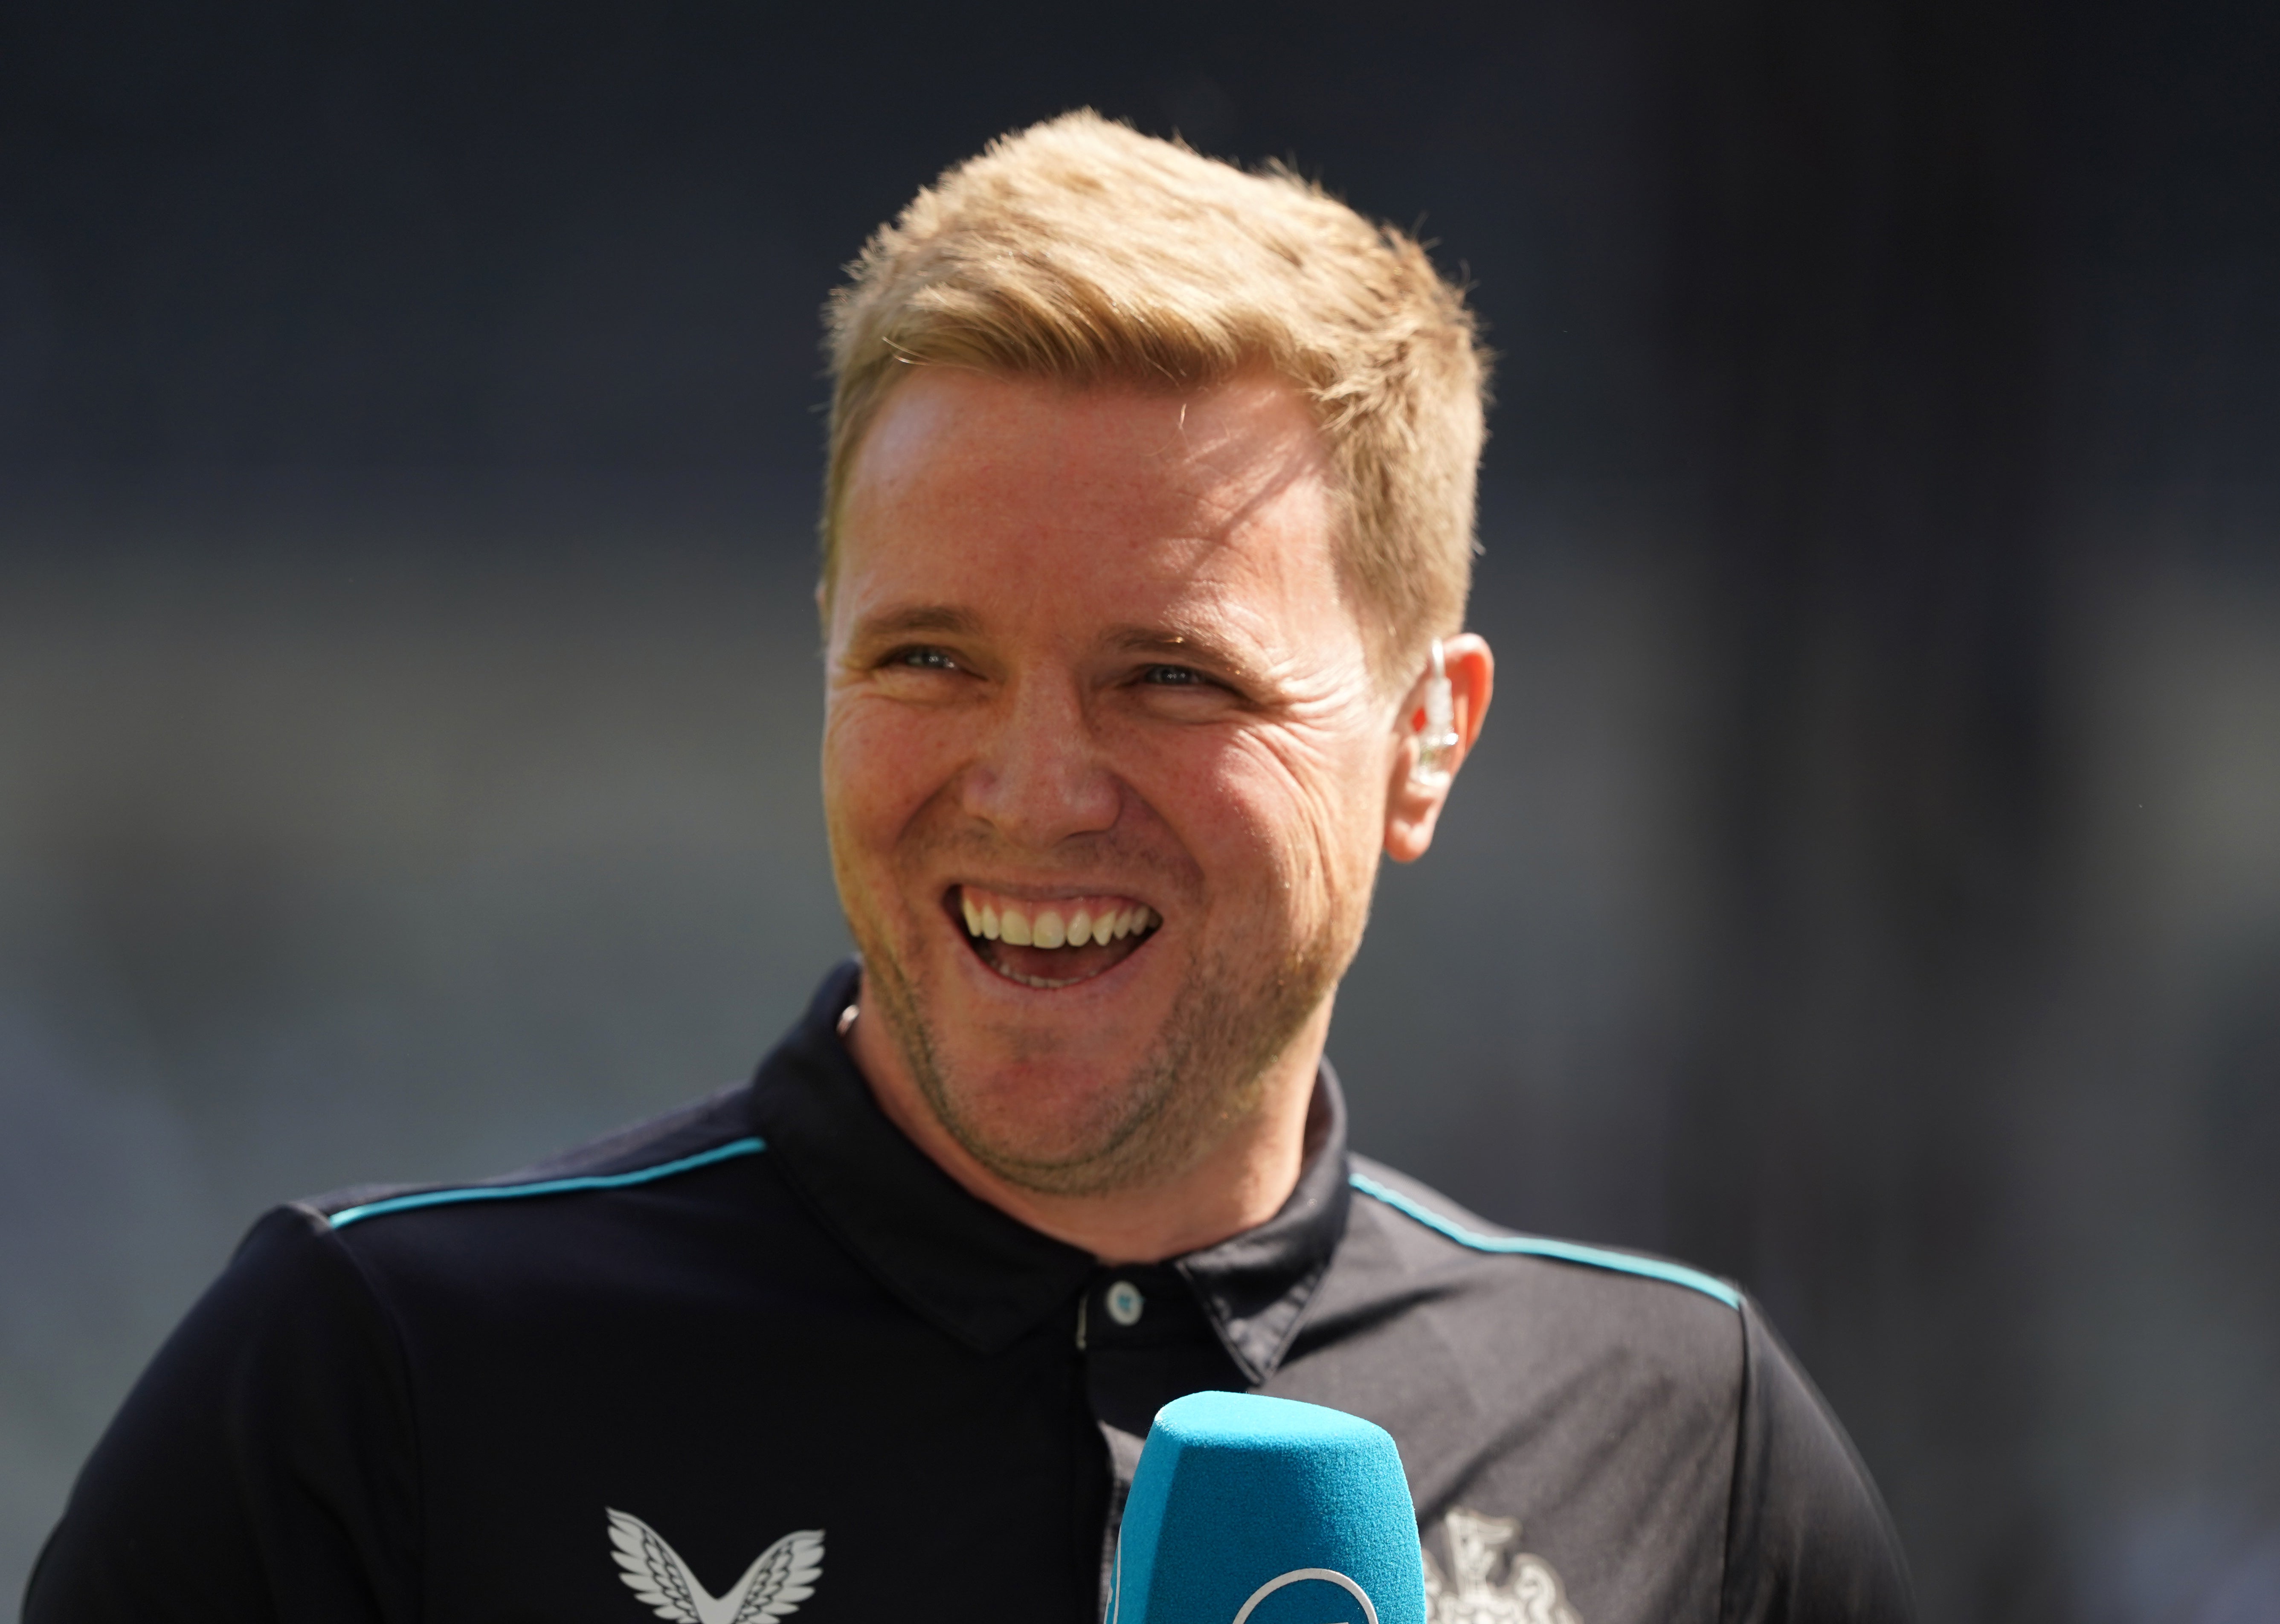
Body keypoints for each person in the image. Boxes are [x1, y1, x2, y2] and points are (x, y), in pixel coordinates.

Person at [25, 113, 1912, 1624]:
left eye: (1167, 676)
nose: (1031, 791)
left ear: (1428, 737)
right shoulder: (375, 1383)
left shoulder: (1687, 1436)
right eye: (929, 659)